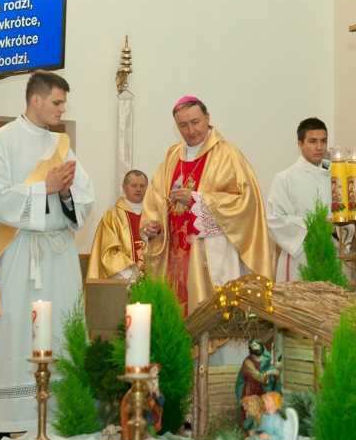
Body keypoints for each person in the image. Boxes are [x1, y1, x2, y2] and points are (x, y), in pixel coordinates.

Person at [0, 70, 94, 440]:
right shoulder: (1, 141)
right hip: (18, 250)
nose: (62, 110)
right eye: (57, 102)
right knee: (13, 330)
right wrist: (44, 187)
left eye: (64, 103)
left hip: (57, 254)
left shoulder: (62, 146)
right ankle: (3, 423)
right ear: (36, 100)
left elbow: (84, 197)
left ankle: (61, 416)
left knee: (62, 326)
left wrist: (64, 194)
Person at [140, 95, 273, 316]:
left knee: (210, 315)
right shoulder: (172, 156)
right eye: (183, 125)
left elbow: (246, 201)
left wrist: (198, 200)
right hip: (175, 254)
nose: (191, 130)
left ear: (207, 118)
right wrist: (152, 225)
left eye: (195, 122)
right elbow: (155, 198)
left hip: (212, 254)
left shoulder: (228, 154)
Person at [266, 117, 331, 282]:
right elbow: (274, 220)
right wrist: (314, 224)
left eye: (323, 141)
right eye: (312, 141)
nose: (319, 147)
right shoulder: (285, 178)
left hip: (332, 254)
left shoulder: (335, 177)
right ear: (300, 144)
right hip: (300, 256)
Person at [87, 170, 148, 280]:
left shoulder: (153, 214)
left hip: (152, 278)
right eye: (134, 185)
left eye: (142, 186)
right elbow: (107, 252)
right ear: (124, 188)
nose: (138, 189)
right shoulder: (112, 216)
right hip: (124, 277)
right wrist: (132, 273)